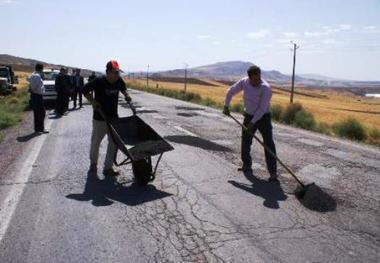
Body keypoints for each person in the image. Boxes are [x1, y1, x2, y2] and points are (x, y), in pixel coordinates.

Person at [223, 65, 278, 182]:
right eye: (254, 79)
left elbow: (262, 109)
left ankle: (273, 173)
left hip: (264, 117)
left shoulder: (266, 88)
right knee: (246, 140)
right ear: (249, 78)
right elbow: (230, 91)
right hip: (248, 115)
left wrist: (252, 123)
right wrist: (226, 106)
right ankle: (247, 165)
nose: (257, 81)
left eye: (259, 78)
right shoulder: (244, 82)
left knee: (268, 142)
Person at [83, 60, 132, 177]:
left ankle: (108, 168)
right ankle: (93, 165)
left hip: (113, 118)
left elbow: (123, 88)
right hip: (99, 118)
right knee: (96, 142)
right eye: (115, 72)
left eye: (118, 72)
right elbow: (84, 90)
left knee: (114, 143)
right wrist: (93, 101)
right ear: (108, 72)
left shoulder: (119, 81)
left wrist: (126, 95)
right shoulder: (99, 81)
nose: (117, 75)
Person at [29, 63, 49, 134]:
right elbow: (33, 87)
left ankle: (41, 128)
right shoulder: (36, 76)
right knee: (39, 113)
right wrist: (34, 91)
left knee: (41, 113)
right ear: (41, 69)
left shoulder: (34, 75)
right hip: (36, 96)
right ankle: (38, 129)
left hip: (37, 95)